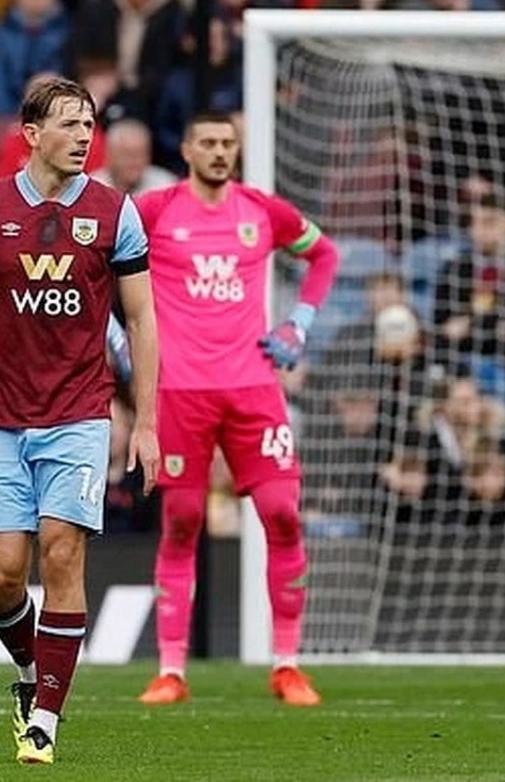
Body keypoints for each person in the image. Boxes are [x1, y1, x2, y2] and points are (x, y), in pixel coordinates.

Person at [0, 76, 159, 765]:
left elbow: (140, 319)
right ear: (30, 133)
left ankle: (46, 720)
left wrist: (144, 418)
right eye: (70, 124)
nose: (85, 136)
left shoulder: (115, 212)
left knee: (60, 550)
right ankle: (31, 673)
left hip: (81, 413)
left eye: (90, 125)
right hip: (0, 419)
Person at [132, 113, 340, 707]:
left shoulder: (262, 211)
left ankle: (287, 665)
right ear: (187, 148)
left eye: (228, 144)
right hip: (180, 391)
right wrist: (120, 336)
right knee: (182, 522)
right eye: (210, 144)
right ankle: (171, 670)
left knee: (283, 514)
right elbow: (102, 263)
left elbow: (324, 256)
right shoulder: (155, 211)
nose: (220, 153)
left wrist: (299, 324)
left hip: (253, 388)